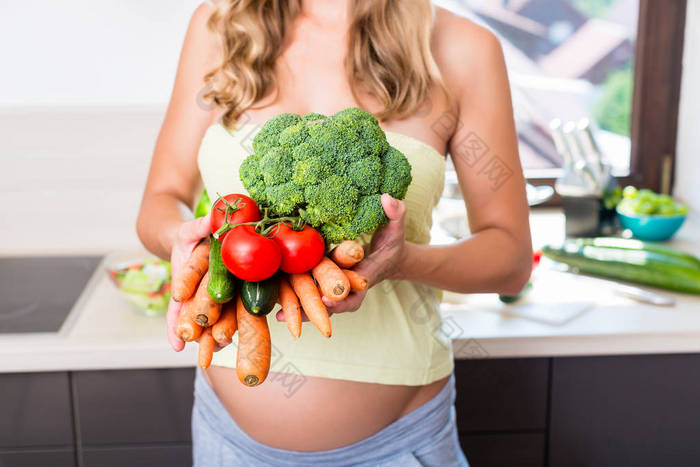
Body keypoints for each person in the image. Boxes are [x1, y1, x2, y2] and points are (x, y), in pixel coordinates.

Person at [137, 0, 532, 465]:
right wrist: (189, 244)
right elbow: (159, 200)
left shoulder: (461, 47)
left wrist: (402, 262)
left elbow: (510, 260)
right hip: (226, 442)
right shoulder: (222, 24)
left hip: (398, 448)